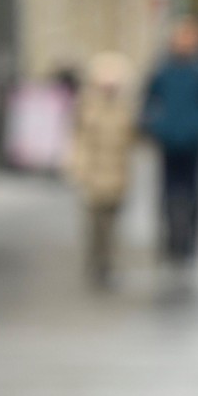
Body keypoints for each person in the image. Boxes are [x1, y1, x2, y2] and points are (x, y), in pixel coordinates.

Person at [139, 18, 198, 267]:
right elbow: (149, 99)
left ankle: (190, 239)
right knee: (168, 190)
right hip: (168, 140)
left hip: (194, 140)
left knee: (194, 191)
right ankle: (170, 237)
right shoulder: (163, 69)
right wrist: (156, 124)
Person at [68, 53, 135, 289]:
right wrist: (78, 168)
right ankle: (95, 263)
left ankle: (108, 263)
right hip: (94, 175)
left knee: (113, 224)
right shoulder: (87, 105)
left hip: (116, 174)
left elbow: (130, 140)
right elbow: (79, 139)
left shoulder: (123, 107)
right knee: (95, 225)